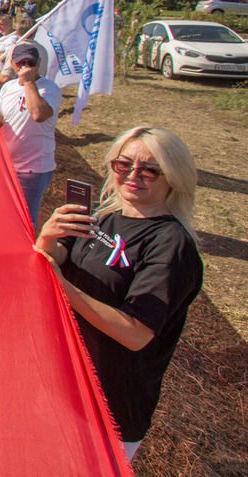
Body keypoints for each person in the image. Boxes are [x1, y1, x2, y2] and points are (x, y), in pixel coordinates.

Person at [34, 127, 203, 460]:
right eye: (123, 165)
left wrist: (62, 286)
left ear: (173, 176)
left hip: (109, 402)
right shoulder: (106, 214)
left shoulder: (172, 246)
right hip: (63, 379)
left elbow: (135, 333)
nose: (133, 176)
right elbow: (55, 258)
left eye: (149, 170)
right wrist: (48, 236)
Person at [0, 43, 61, 224]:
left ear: (38, 63)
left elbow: (39, 114)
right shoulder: (8, 87)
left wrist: (29, 82)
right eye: (20, 63)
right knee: (5, 215)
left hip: (33, 169)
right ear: (13, 64)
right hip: (7, 165)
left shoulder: (50, 89)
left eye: (29, 63)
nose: (24, 67)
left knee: (24, 221)